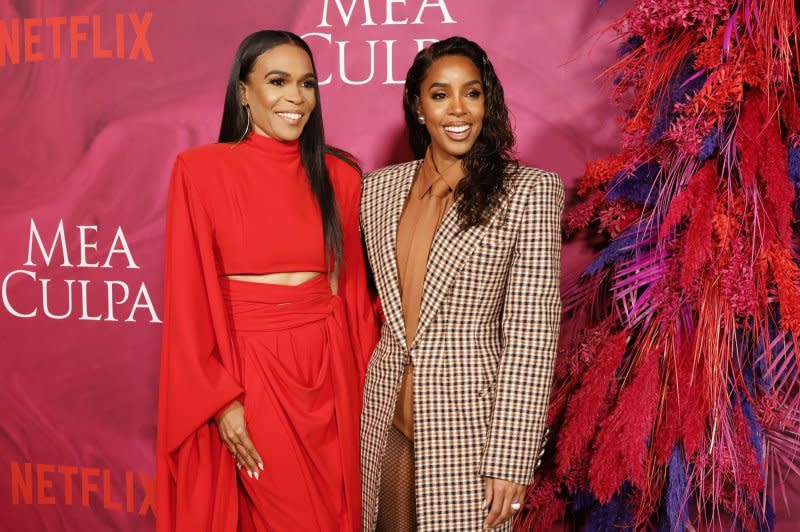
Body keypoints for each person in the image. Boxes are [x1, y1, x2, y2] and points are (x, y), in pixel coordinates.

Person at [156, 30, 378, 532]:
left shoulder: (340, 175)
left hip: (333, 373)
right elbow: (188, 300)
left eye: (306, 83)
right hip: (252, 373)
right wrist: (220, 401)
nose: (295, 97)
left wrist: (371, 398)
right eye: (277, 81)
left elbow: (353, 298)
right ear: (242, 91)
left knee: (341, 517)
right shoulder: (199, 170)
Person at [359, 36, 563, 531]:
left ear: (486, 101)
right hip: (385, 424)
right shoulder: (376, 190)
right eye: (439, 94)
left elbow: (532, 337)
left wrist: (512, 459)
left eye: (472, 94)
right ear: (417, 105)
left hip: (471, 433)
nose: (458, 110)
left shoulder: (529, 192)